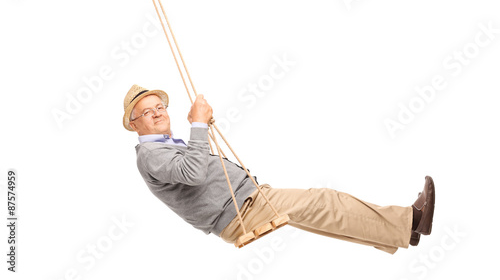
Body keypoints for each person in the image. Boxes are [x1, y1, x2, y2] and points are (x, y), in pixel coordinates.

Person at [123, 84, 435, 254]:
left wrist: (199, 128)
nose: (157, 113)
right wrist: (199, 124)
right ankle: (413, 219)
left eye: (160, 107)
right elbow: (194, 173)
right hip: (238, 211)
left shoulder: (165, 144)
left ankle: (403, 232)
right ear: (134, 123)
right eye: (147, 112)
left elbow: (193, 167)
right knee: (323, 202)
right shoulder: (150, 153)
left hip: (248, 199)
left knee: (321, 215)